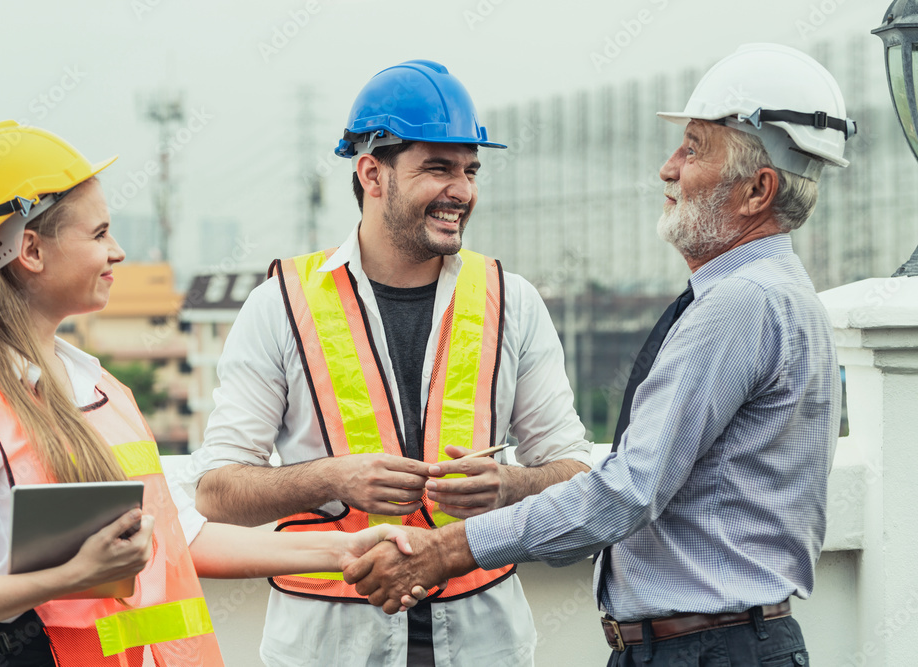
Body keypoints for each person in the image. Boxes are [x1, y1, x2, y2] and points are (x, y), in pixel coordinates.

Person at [344, 43, 854, 666]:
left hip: (706, 650)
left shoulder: (741, 303)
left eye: (694, 148)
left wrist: (447, 550)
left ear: (758, 189)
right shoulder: (776, 293)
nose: (668, 169)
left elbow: (627, 491)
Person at [0, 121, 419, 667]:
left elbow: (178, 534)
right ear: (32, 251)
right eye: (99, 234)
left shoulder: (99, 389)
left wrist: (345, 549)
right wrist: (70, 577)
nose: (118, 252)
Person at [188, 59, 592, 667]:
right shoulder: (279, 306)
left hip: (484, 644)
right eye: (438, 168)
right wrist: (333, 478)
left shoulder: (514, 302)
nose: (462, 191)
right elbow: (217, 493)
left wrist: (513, 485)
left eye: (470, 170)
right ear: (372, 173)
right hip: (329, 648)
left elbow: (575, 473)